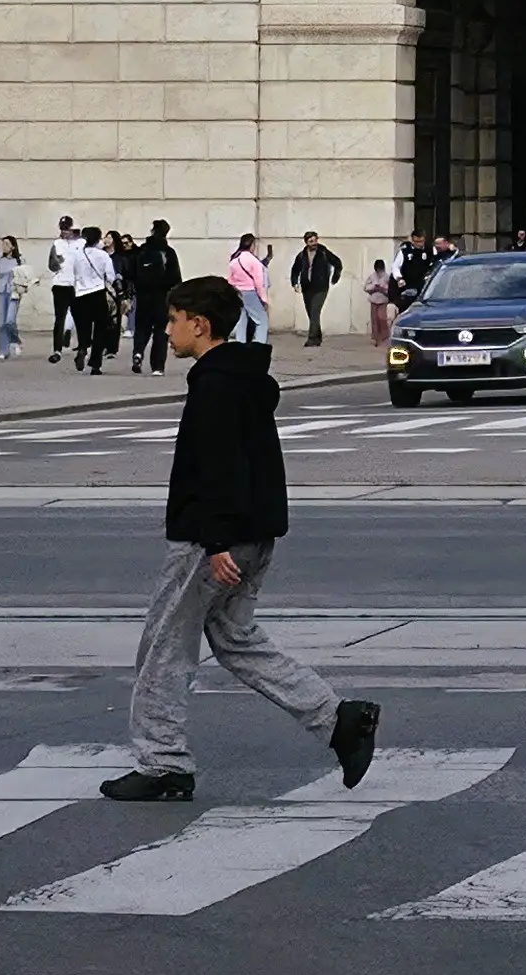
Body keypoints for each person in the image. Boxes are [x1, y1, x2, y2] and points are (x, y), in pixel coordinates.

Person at [101, 273, 380, 804]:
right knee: (235, 640)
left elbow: (218, 468)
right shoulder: (244, 377)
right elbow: (255, 465)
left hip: (211, 541)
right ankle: (338, 719)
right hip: (251, 534)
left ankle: (163, 765)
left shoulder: (215, 384)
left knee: (164, 648)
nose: (166, 330)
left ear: (199, 325)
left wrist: (216, 541)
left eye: (173, 320)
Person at [125, 220, 180, 373]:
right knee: (161, 332)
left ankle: (138, 352)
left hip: (143, 297)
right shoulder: (168, 253)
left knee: (142, 328)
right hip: (162, 298)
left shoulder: (142, 251)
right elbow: (175, 278)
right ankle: (157, 367)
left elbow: (131, 274)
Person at [70, 225, 120, 373]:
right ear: (98, 239)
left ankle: (83, 348)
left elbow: (73, 274)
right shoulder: (103, 256)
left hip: (79, 295)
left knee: (83, 328)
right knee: (100, 330)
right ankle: (95, 364)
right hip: (97, 294)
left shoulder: (77, 255)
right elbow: (110, 276)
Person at [290, 231, 341, 349]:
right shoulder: (301, 255)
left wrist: (335, 277)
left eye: (315, 240)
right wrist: (295, 283)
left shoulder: (323, 252)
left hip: (321, 287)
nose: (314, 243)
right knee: (311, 313)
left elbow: (337, 263)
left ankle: (312, 339)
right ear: (306, 242)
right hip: (307, 288)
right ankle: (318, 336)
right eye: (311, 241)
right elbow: (295, 270)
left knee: (314, 311)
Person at [224, 234, 272, 343]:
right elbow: (258, 282)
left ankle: (240, 343)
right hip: (250, 292)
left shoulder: (234, 259)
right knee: (261, 319)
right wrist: (263, 299)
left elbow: (230, 280)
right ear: (252, 245)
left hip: (238, 292)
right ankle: (260, 344)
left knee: (242, 319)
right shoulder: (253, 261)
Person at [46, 217, 80, 363]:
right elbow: (51, 265)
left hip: (77, 285)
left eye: (67, 228)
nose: (64, 232)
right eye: (62, 229)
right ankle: (57, 349)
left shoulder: (80, 243)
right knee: (59, 318)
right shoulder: (56, 244)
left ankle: (81, 346)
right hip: (60, 284)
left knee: (80, 317)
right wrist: (56, 262)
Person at [0, 235, 25, 361]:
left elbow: (25, 275)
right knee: (1, 323)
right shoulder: (0, 259)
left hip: (14, 292)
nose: (3, 246)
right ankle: (4, 350)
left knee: (10, 320)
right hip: (1, 292)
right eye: (2, 244)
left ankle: (16, 340)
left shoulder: (19, 260)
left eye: (6, 244)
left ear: (13, 247)